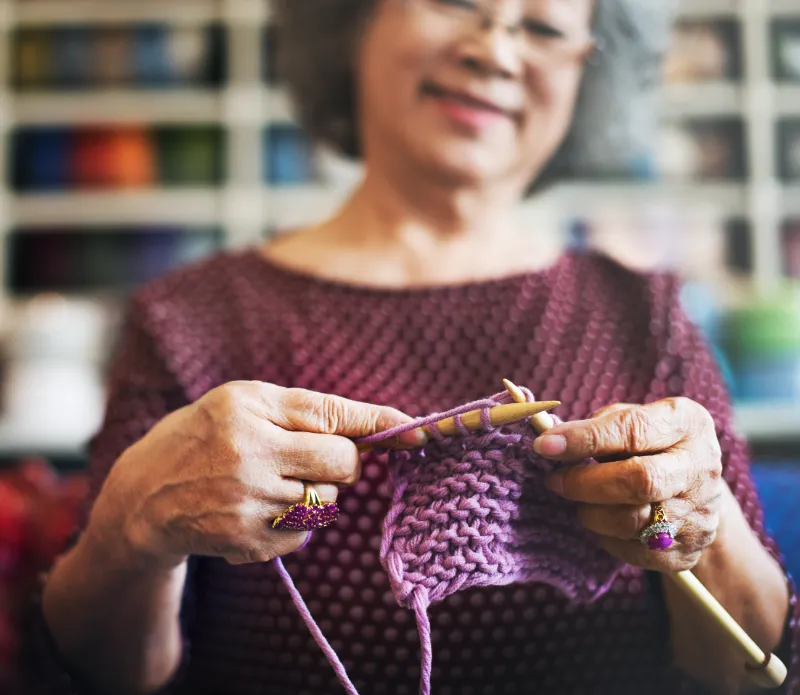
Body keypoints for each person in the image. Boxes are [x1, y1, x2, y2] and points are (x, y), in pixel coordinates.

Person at [27, 1, 797, 694]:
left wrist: (702, 525)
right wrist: (132, 524)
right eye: (456, 2)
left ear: (588, 72)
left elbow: (750, 668)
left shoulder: (647, 315)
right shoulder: (187, 318)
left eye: (543, 27)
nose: (494, 50)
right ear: (355, 20)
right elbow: (103, 672)